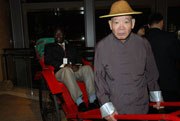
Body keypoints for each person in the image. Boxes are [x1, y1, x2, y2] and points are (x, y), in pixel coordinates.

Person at [94, 0, 164, 121]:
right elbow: (99, 79)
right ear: (110, 24)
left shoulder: (143, 44)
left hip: (141, 107)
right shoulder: (102, 47)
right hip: (115, 111)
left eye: (126, 21)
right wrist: (106, 107)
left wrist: (157, 97)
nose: (121, 27)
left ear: (132, 23)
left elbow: (151, 73)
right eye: (116, 22)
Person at [44, 27, 98, 112]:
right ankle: (79, 102)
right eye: (56, 34)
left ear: (64, 35)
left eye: (60, 33)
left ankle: (92, 100)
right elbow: (47, 60)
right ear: (54, 36)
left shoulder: (71, 47)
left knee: (87, 68)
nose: (58, 35)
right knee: (67, 70)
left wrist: (76, 65)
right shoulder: (49, 47)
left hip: (73, 70)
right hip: (60, 72)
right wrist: (64, 65)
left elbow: (79, 59)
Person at [145, 13, 180, 103]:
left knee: (151, 114)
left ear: (149, 25)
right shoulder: (170, 37)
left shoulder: (142, 40)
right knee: (172, 113)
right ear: (162, 23)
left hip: (148, 85)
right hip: (169, 83)